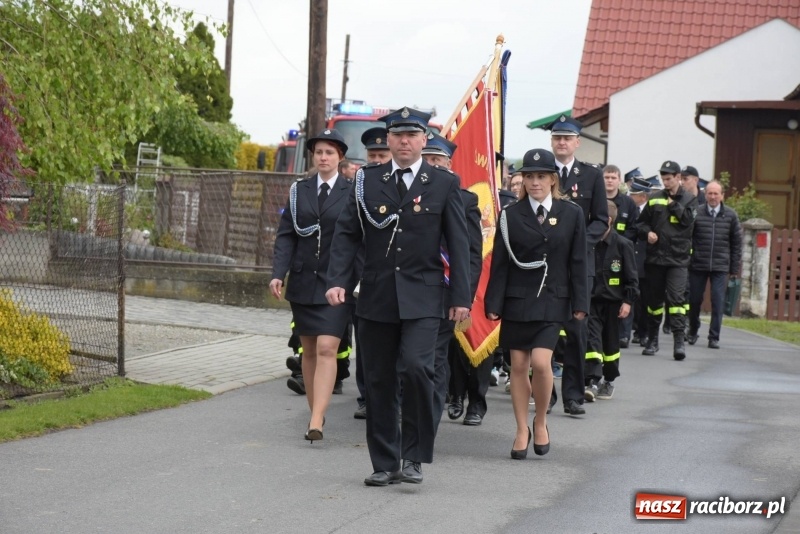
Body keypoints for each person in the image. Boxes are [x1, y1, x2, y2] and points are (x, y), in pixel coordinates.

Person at [326, 107, 471, 487]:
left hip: (424, 296)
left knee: (418, 368)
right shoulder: (366, 182)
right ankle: (385, 462)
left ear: (424, 140)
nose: (404, 141)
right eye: (397, 135)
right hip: (376, 296)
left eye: (412, 135)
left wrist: (462, 297)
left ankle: (415, 455)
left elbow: (460, 244)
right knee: (378, 380)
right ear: (388, 140)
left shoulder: (443, 183)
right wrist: (339, 279)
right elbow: (346, 233)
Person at [485, 148, 588, 458]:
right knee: (518, 365)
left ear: (552, 179)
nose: (534, 182)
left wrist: (580, 301)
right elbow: (500, 263)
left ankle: (540, 420)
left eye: (541, 176)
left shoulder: (571, 214)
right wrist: (493, 302)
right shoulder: (510, 215)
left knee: (542, 364)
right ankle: (521, 428)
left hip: (553, 298)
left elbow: (579, 261)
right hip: (518, 298)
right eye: (528, 176)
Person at [269, 128, 356, 443]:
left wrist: (352, 278)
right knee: (308, 350)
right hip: (304, 280)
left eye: (329, 153)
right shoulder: (299, 190)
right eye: (319, 152)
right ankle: (314, 412)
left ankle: (318, 417)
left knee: (327, 348)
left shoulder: (351, 191)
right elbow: (287, 234)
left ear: (340, 157)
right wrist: (279, 272)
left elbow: (358, 239)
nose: (323, 157)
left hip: (337, 284)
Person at [417, 133, 482, 429]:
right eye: (427, 159)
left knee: (437, 354)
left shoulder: (465, 199)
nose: (432, 164)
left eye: (437, 160)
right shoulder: (411, 193)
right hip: (414, 286)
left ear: (449, 163)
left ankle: (430, 410)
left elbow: (470, 254)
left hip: (445, 290)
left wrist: (464, 297)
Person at [549, 115, 608, 416]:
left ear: (577, 142)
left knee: (576, 331)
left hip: (578, 267)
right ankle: (545, 393)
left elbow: (600, 219)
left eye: (567, 138)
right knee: (544, 331)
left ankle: (573, 395)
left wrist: (581, 245)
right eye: (557, 137)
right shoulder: (542, 172)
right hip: (545, 264)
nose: (561, 142)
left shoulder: (591, 175)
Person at [637, 160, 697, 360]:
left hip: (678, 260)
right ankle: (652, 341)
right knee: (653, 302)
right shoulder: (654, 199)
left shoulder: (689, 199)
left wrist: (674, 205)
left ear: (678, 177)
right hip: (655, 259)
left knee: (676, 300)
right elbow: (641, 224)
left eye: (669, 179)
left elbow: (689, 222)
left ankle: (679, 343)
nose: (666, 183)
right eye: (663, 179)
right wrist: (648, 233)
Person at [352, 127, 392, 420]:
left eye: (382, 155)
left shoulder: (396, 183)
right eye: (372, 155)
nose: (376, 160)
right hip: (362, 274)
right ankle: (366, 395)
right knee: (365, 342)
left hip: (393, 273)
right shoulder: (361, 184)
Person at [584, 200, 638, 402]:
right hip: (592, 301)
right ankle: (592, 380)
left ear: (607, 221)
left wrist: (628, 301)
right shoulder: (589, 243)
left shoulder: (623, 245)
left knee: (611, 344)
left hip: (614, 304)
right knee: (593, 339)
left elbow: (632, 277)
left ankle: (609, 379)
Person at [687, 180, 743, 349]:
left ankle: (714, 337)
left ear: (722, 195)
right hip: (698, 264)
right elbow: (688, 238)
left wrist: (734, 268)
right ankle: (692, 330)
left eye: (716, 193)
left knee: (717, 301)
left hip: (720, 266)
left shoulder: (731, 216)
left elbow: (736, 244)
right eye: (709, 193)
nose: (712, 197)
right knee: (694, 300)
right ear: (705, 195)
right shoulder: (696, 212)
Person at [627, 177, 652, 347]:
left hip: (645, 260)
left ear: (643, 196)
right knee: (629, 297)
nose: (630, 196)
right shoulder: (630, 209)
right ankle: (628, 331)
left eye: (633, 194)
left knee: (645, 299)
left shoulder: (650, 210)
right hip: (630, 259)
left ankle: (643, 332)